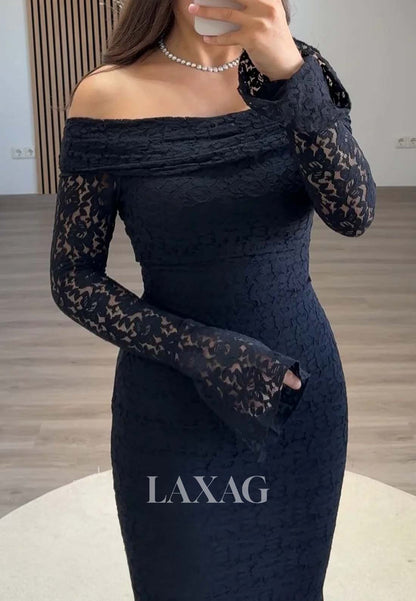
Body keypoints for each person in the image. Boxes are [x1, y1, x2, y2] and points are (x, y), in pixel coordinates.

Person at [49, 1, 376, 599]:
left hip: (299, 391)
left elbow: (353, 214)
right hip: (174, 399)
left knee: (294, 585)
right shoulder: (108, 94)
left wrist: (291, 77)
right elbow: (73, 277)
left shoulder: (299, 70)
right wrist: (205, 352)